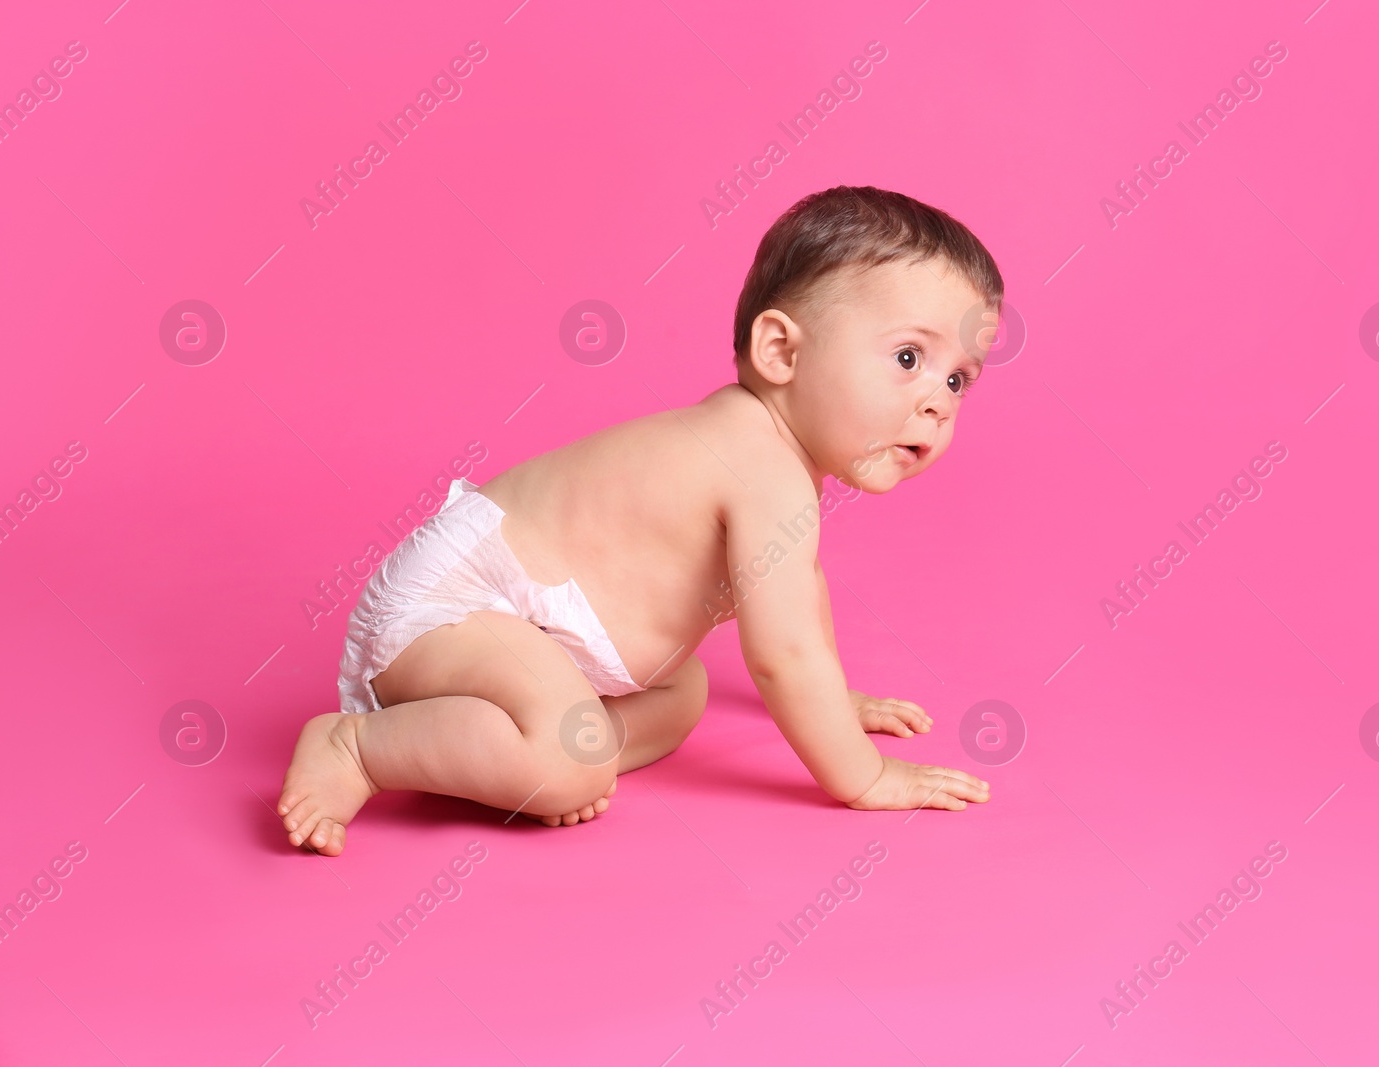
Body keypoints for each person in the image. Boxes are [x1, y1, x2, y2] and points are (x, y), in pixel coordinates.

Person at [277, 185, 1003, 855]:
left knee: (681, 695)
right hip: (457, 609)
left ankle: (517, 756)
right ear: (781, 350)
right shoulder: (759, 466)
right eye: (908, 357)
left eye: (957, 378)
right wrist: (863, 774)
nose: (939, 401)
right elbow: (782, 655)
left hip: (529, 634)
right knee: (575, 758)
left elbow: (800, 602)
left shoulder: (779, 467)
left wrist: (833, 701)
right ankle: (358, 747)